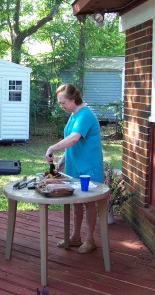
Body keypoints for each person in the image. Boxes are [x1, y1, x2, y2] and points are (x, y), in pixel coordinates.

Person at [45, 84, 104, 254]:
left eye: (63, 102)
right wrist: (63, 159)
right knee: (76, 203)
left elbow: (74, 138)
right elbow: (71, 142)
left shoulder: (85, 115)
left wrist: (52, 148)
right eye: (60, 103)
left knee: (89, 203)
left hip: (88, 168)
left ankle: (90, 239)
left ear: (73, 99)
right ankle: (76, 236)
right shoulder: (74, 114)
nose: (61, 106)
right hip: (74, 166)